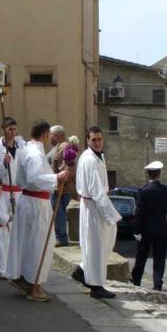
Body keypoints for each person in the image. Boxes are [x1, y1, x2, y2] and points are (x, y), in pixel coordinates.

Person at [6, 120, 69, 302]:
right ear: (45, 135)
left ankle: (24, 277)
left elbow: (19, 177)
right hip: (36, 202)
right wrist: (57, 177)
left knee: (27, 242)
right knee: (38, 244)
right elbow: (34, 178)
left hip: (30, 200)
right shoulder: (34, 153)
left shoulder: (27, 149)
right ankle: (33, 283)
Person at [73, 126, 121, 299]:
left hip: (95, 204)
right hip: (94, 206)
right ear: (87, 140)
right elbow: (96, 191)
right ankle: (96, 285)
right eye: (94, 139)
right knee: (96, 245)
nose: (97, 142)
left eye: (100, 139)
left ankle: (83, 270)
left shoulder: (98, 156)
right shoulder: (90, 160)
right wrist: (111, 214)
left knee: (102, 242)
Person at [130, 161, 167, 291]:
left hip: (146, 228)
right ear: (159, 173)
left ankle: (136, 280)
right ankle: (157, 282)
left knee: (141, 255)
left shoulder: (144, 190)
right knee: (159, 257)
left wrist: (137, 230)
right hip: (161, 227)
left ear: (148, 174)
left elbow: (139, 212)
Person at [0, 117, 25, 214]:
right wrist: (3, 165)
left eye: (14, 129)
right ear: (3, 130)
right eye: (9, 129)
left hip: (20, 192)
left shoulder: (23, 146)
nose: (13, 132)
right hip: (4, 193)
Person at [48, 125, 75, 247]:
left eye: (51, 135)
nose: (49, 138)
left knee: (59, 213)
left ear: (59, 135)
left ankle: (62, 238)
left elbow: (66, 168)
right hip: (58, 186)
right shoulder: (59, 147)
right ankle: (60, 236)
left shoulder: (64, 148)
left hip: (62, 188)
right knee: (57, 212)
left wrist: (60, 184)